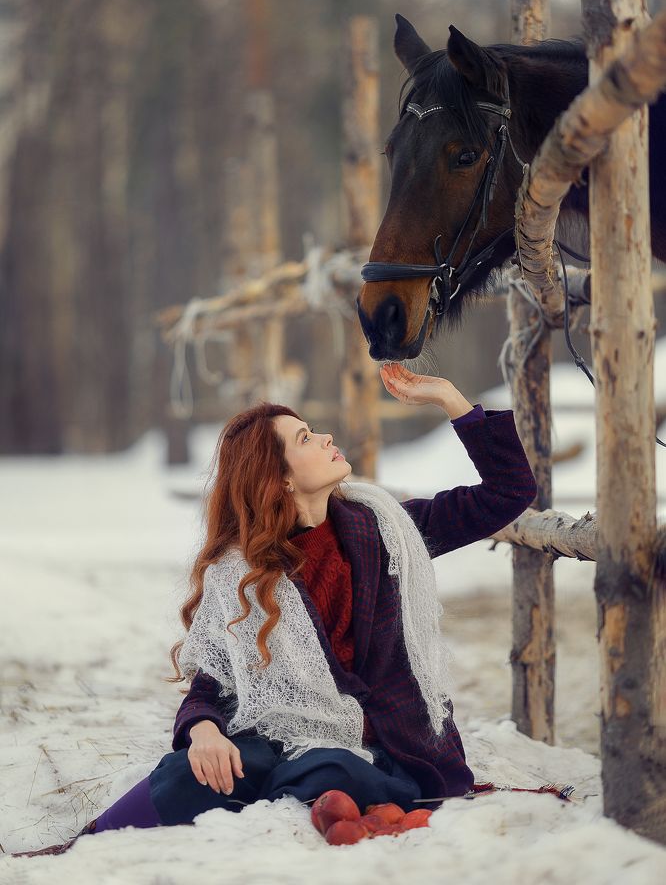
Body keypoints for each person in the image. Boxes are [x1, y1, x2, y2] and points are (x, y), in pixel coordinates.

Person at [13, 363, 537, 858]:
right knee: (191, 771)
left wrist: (450, 400)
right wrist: (204, 731)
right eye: (306, 438)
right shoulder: (237, 571)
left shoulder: (387, 529)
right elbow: (213, 681)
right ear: (280, 478)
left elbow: (508, 492)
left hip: (387, 742)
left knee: (330, 769)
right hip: (283, 731)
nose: (327, 438)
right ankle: (86, 846)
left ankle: (328, 796)